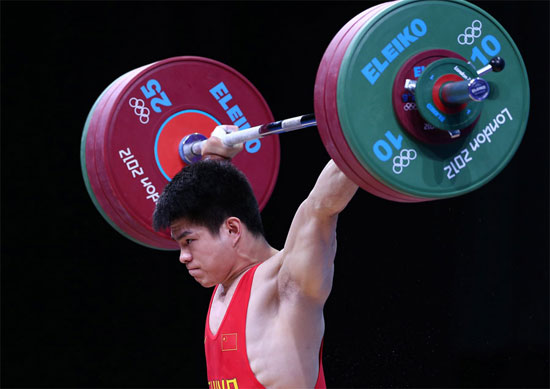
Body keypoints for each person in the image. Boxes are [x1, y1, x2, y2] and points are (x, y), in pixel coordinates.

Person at [153, 126, 358, 388]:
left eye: (189, 241)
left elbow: (321, 207)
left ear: (232, 230)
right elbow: (212, 200)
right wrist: (215, 158)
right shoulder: (225, 282)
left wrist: (368, 129)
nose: (183, 257)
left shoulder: (287, 286)